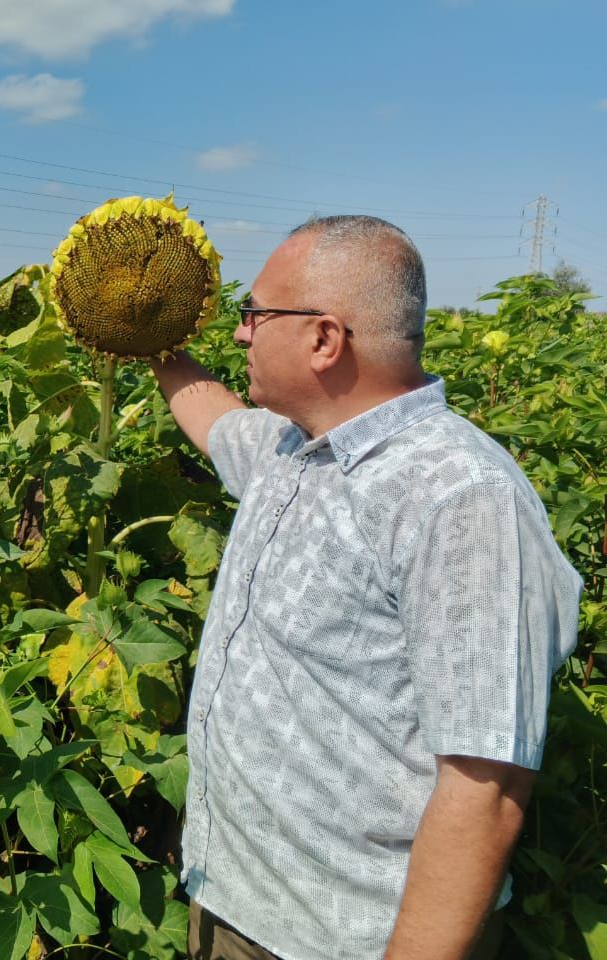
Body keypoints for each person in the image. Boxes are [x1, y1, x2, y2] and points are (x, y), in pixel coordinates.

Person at [150, 215, 581, 960]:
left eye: (253, 314)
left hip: (342, 939)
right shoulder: (293, 446)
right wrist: (144, 333)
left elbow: (484, 787)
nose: (241, 333)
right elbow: (216, 420)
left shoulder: (459, 498)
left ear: (324, 338)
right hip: (231, 896)